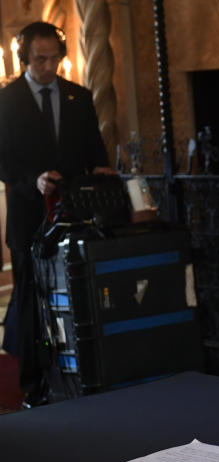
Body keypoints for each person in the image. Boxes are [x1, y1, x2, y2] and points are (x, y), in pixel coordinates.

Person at [0, 21, 111, 407]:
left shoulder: (78, 96)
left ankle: (82, 377)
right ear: (24, 58)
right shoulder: (6, 100)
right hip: (28, 218)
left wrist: (101, 172)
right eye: (39, 59)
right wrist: (34, 181)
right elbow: (3, 163)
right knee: (32, 302)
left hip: (74, 216)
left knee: (78, 297)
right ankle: (34, 387)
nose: (49, 66)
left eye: (55, 58)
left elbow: (96, 152)